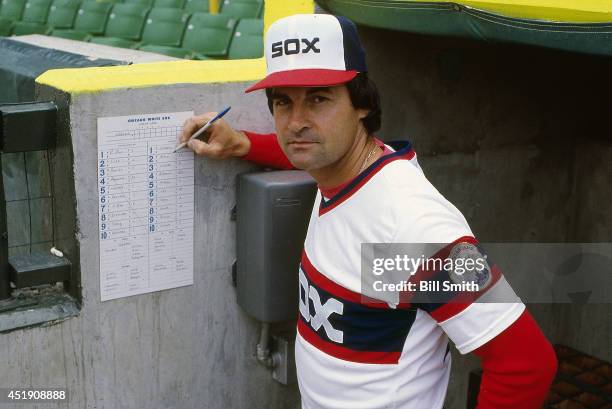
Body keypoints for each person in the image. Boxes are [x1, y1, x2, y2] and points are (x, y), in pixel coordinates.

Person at [180, 13, 557, 409]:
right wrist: (243, 144)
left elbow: (525, 364)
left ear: (360, 103)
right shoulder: (343, 170)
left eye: (319, 98)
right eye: (282, 103)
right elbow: (314, 150)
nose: (296, 123)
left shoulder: (411, 227)